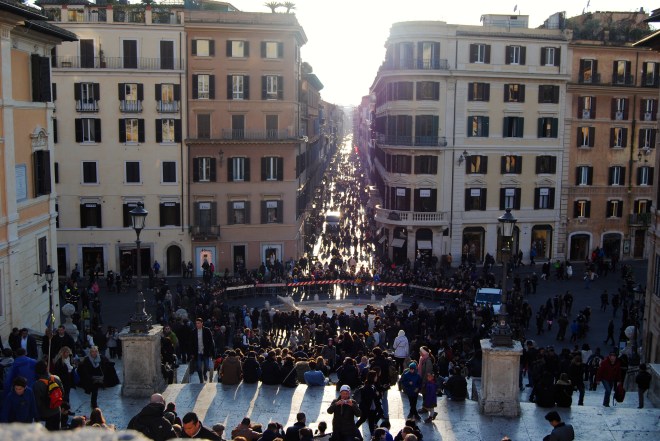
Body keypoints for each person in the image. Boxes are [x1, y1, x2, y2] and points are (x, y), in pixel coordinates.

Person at [77, 345, 120, 409]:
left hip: (99, 377)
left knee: (95, 390)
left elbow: (107, 365)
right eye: (92, 352)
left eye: (95, 351)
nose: (94, 353)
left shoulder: (101, 358)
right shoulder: (87, 359)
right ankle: (93, 404)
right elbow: (84, 369)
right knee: (93, 390)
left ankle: (94, 404)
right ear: (90, 352)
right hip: (90, 378)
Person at [33, 360, 64, 431]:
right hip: (56, 411)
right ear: (46, 368)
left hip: (44, 414)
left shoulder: (37, 384)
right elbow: (62, 393)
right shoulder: (56, 378)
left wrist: (36, 417)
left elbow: (37, 403)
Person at [355, 370, 383, 436]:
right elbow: (369, 397)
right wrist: (376, 394)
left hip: (368, 407)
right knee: (370, 421)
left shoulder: (371, 385)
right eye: (376, 376)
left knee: (364, 419)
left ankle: (354, 429)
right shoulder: (369, 386)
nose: (377, 377)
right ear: (373, 377)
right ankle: (373, 435)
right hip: (369, 407)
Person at [190, 318, 215, 383]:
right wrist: (192, 353)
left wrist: (211, 352)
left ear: (202, 323)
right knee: (198, 367)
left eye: (198, 323)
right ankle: (201, 379)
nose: (197, 325)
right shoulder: (193, 332)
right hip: (197, 352)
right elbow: (191, 343)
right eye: (196, 323)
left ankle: (204, 374)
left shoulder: (207, 330)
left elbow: (211, 342)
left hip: (205, 351)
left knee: (206, 366)